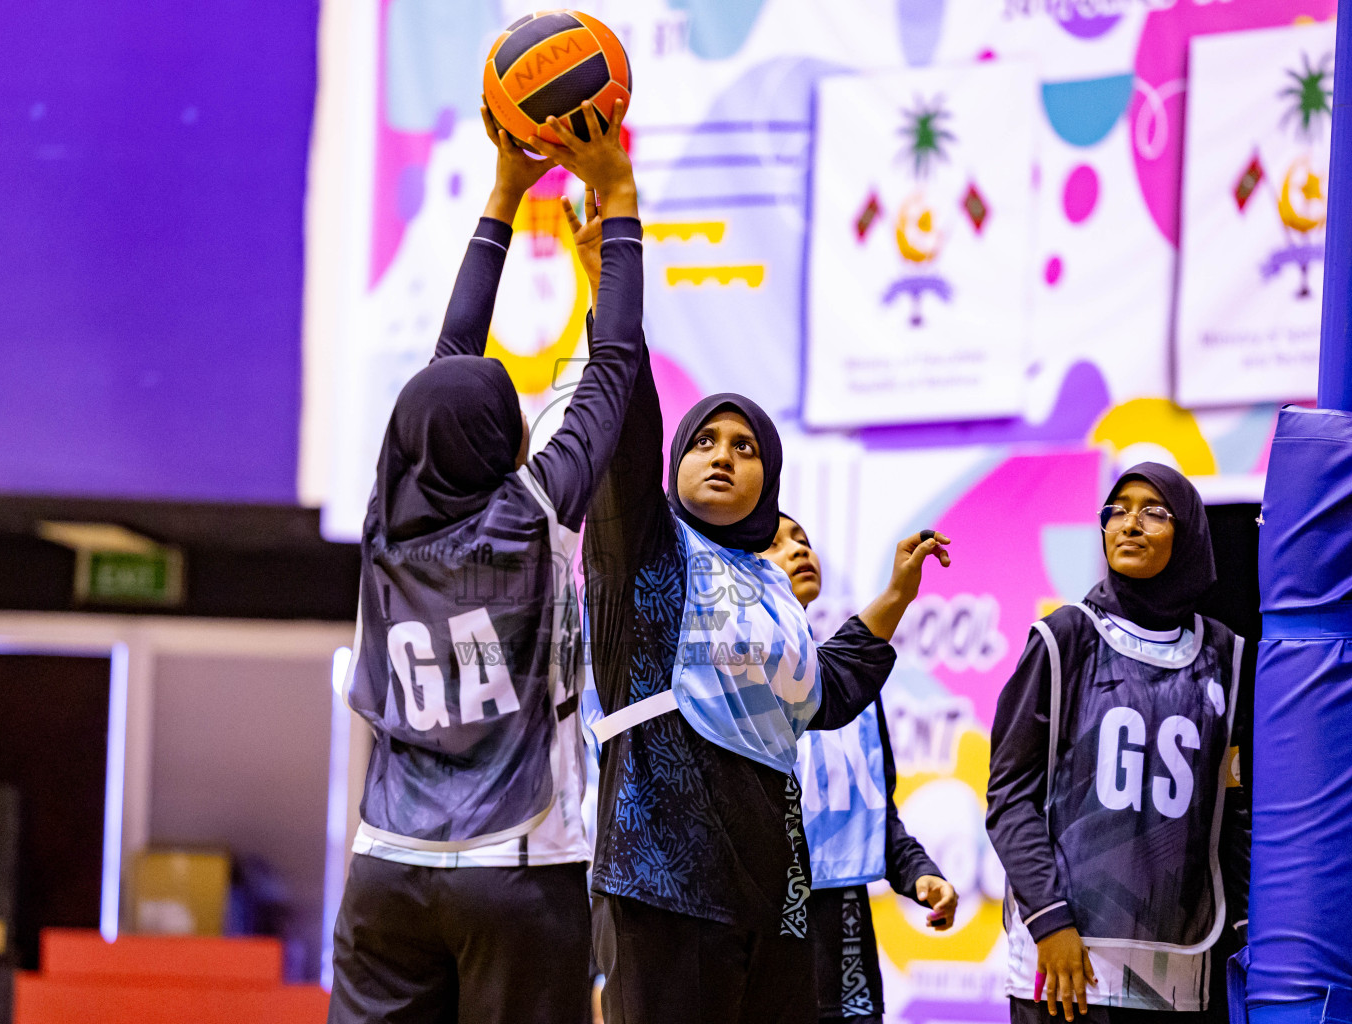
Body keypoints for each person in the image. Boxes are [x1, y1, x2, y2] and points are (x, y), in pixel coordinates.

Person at [562, 226, 952, 1020]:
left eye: (745, 447)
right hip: (660, 875)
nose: (722, 454)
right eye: (704, 441)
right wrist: (608, 286)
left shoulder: (773, 590)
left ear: (767, 479)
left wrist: (896, 595)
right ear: (674, 465)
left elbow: (828, 693)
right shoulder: (646, 548)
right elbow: (629, 418)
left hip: (777, 894)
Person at [329, 99, 640, 1024]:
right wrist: (616, 197)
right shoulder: (536, 515)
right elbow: (614, 362)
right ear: (506, 438)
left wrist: (501, 195)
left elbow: (447, 358)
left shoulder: (386, 524)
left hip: (385, 867)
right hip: (516, 870)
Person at [986, 464, 1251, 1024]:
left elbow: (1237, 812)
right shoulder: (1065, 637)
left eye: (1154, 512)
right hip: (1066, 962)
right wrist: (1051, 921)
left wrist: (1254, 928)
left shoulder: (1227, 656)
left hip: (1182, 969)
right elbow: (1011, 797)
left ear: (1189, 535)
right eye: (1117, 511)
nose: (1129, 524)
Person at [762, 515, 960, 1024]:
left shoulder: (847, 690)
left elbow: (872, 813)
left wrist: (920, 873)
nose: (798, 549)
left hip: (843, 936)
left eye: (803, 540)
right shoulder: (735, 687)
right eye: (776, 543)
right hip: (760, 931)